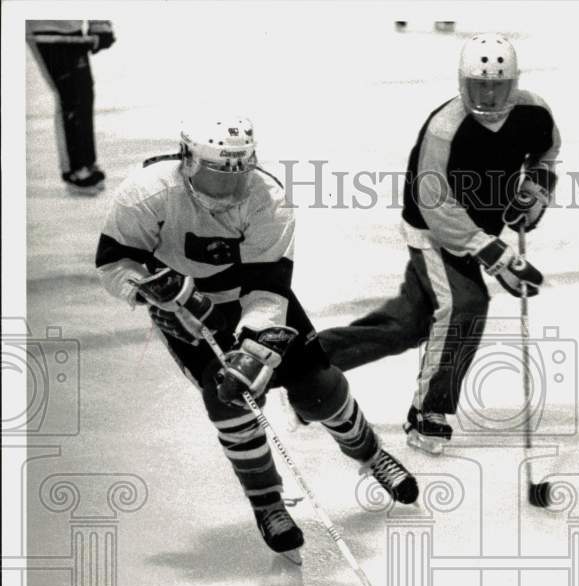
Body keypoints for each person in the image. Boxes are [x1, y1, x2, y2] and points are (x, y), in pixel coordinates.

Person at [94, 117, 418, 559]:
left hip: (255, 298)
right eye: (217, 172)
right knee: (229, 400)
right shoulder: (146, 193)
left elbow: (267, 286)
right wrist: (149, 290)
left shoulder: (268, 197)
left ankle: (370, 453)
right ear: (187, 160)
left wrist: (253, 352)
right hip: (183, 310)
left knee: (318, 390)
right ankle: (267, 501)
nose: (229, 187)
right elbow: (114, 262)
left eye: (239, 171)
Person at [319, 33, 560, 455]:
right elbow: (436, 206)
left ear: (514, 81)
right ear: (462, 81)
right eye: (479, 83)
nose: (488, 93)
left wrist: (536, 187)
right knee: (465, 304)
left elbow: (546, 153)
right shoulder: (445, 128)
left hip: (478, 227)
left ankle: (313, 361)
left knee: (408, 326)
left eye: (498, 84)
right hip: (431, 232)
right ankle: (429, 410)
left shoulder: (534, 113)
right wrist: (495, 254)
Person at [27, 20, 116, 194]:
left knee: (83, 92)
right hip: (43, 26)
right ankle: (75, 169)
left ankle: (87, 162)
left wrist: (100, 25)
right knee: (69, 96)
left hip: (72, 26)